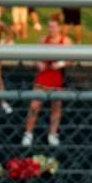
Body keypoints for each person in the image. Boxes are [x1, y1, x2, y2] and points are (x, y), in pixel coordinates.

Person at [23, 14, 71, 147]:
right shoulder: (43, 39)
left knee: (56, 107)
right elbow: (34, 57)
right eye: (49, 27)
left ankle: (53, 133)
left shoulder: (65, 41)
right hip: (42, 77)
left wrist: (60, 64)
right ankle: (28, 133)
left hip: (57, 78)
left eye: (54, 27)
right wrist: (38, 62)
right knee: (34, 106)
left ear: (60, 27)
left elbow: (71, 60)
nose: (51, 30)